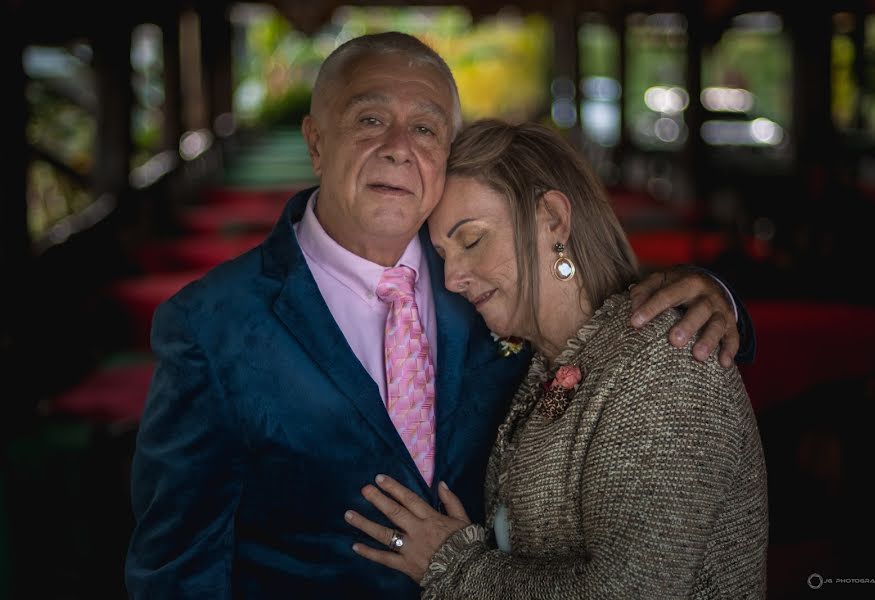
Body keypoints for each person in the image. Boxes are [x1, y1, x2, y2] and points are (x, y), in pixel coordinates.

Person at [125, 32, 756, 598]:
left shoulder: (490, 288)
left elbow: (618, 341)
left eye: (425, 128)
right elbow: (178, 569)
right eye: (369, 118)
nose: (398, 148)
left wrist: (720, 302)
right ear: (316, 141)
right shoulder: (210, 324)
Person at [344, 119, 768, 599]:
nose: (452, 277)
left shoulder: (665, 363)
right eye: (443, 254)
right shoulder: (545, 361)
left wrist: (452, 565)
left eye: (472, 239)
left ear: (552, 218)